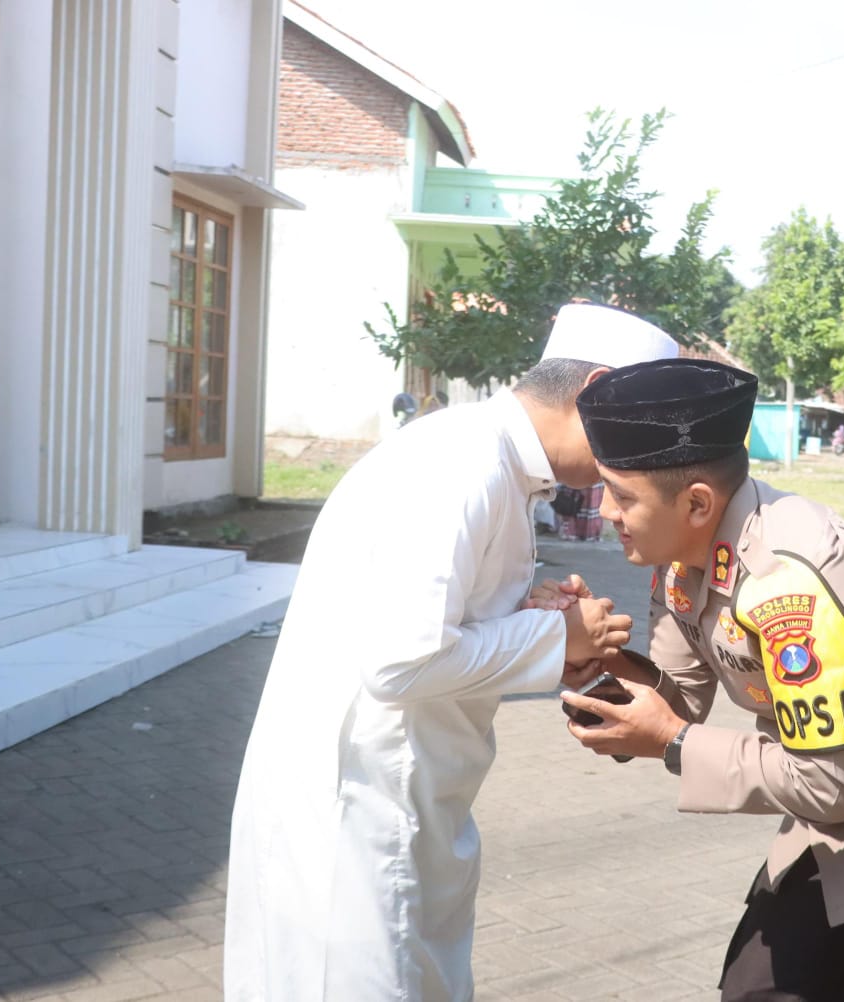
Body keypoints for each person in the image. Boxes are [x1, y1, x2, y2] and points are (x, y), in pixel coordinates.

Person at [223, 304, 680, 1002]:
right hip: (358, 809)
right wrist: (559, 636)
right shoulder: (464, 464)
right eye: (637, 430)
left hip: (411, 798)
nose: (635, 463)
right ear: (594, 392)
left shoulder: (493, 462)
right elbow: (400, 660)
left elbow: (441, 623)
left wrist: (538, 622)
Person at [550, 358, 844, 1002]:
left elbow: (824, 783)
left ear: (697, 503)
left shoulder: (796, 579)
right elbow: (679, 697)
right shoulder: (681, 556)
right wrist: (599, 663)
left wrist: (670, 741)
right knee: (756, 991)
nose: (605, 510)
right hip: (830, 800)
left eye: (623, 495)